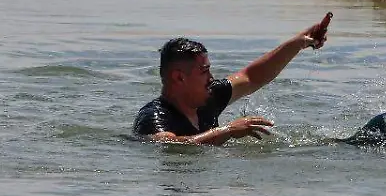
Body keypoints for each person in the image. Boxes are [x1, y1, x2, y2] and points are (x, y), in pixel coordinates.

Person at [134, 13, 333, 145]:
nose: (211, 78)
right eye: (204, 71)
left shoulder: (208, 97)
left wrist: (299, 43)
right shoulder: (153, 117)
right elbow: (170, 145)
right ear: (179, 77)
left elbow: (252, 76)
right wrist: (228, 130)